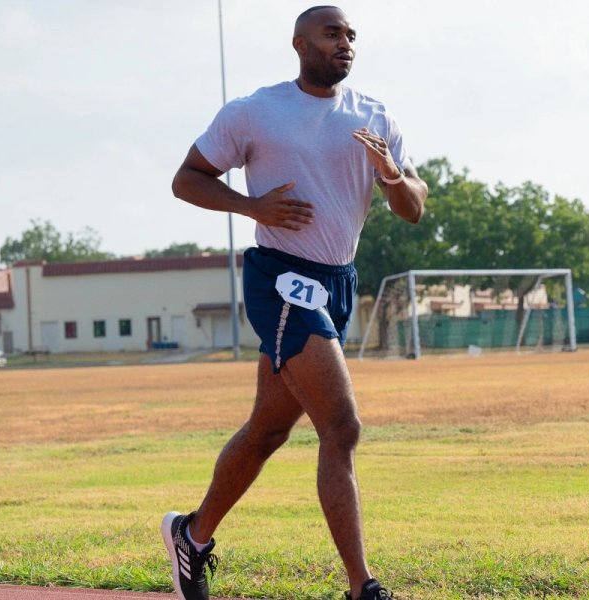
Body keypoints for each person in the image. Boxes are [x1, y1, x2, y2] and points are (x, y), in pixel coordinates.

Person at [162, 6, 427, 600]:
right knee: (342, 425)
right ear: (300, 43)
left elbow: (414, 204)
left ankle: (192, 535)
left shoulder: (373, 116)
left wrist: (391, 176)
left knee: (267, 431)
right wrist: (253, 208)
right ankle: (363, 586)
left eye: (352, 36)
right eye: (333, 34)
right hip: (281, 276)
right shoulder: (256, 111)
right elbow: (187, 178)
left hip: (338, 281)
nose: (346, 44)